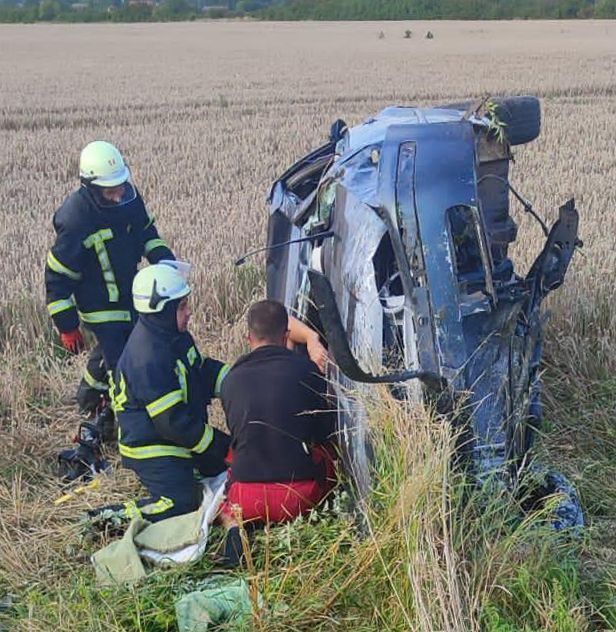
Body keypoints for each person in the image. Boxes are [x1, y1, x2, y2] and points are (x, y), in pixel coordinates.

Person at [108, 265, 329, 523]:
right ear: (162, 311)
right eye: (182, 307)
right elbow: (174, 424)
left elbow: (202, 372)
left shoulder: (175, 336)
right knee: (184, 503)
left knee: (230, 470)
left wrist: (247, 381)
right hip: (154, 446)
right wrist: (224, 447)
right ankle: (110, 516)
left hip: (183, 437)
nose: (189, 312)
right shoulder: (147, 359)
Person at [45, 140, 174, 440]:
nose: (118, 196)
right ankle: (125, 430)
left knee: (112, 350)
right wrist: (67, 325)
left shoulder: (129, 197)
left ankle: (89, 398)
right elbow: (57, 276)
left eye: (120, 187)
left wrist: (164, 260)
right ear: (90, 187)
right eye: (109, 191)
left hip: (130, 294)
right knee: (122, 364)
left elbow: (147, 232)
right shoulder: (76, 219)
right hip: (99, 306)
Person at [218, 300, 337, 565]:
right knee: (328, 455)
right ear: (285, 337)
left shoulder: (230, 380)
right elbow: (325, 433)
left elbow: (239, 436)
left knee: (231, 485)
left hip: (247, 498)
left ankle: (235, 529)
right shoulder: (307, 371)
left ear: (248, 337)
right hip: (298, 498)